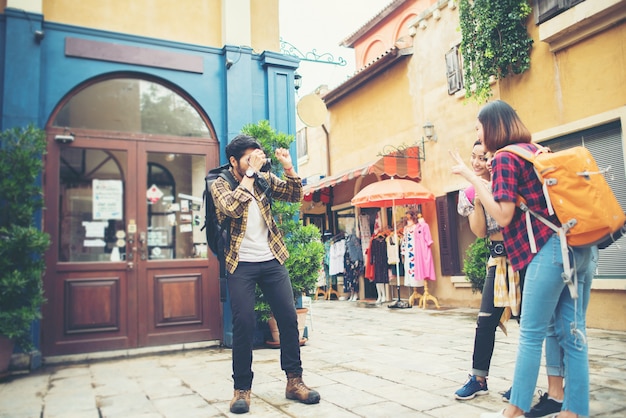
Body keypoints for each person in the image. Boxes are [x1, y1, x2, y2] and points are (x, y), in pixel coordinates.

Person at [450, 100, 598, 418]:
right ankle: (575, 412)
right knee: (573, 335)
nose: (477, 133)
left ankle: (514, 411)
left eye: (478, 127)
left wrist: (472, 178)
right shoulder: (535, 150)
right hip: (580, 247)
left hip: (551, 251)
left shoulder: (505, 157)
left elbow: (503, 216)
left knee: (531, 333)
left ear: (491, 126)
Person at [211, 134, 320, 414]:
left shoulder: (263, 177)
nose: (256, 162)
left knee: (288, 318)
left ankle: (294, 381)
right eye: (249, 158)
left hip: (272, 259)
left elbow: (296, 196)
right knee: (244, 323)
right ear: (234, 161)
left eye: (257, 157)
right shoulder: (219, 183)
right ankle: (242, 389)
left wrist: (288, 167)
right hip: (241, 263)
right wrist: (249, 173)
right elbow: (232, 207)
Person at [454, 141, 521, 401]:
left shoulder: (507, 182)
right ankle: (478, 378)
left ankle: (523, 382)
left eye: (482, 158)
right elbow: (480, 231)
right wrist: (480, 202)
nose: (477, 163)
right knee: (485, 322)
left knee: (526, 322)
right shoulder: (469, 193)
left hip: (521, 256)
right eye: (473, 157)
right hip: (497, 260)